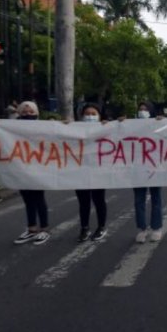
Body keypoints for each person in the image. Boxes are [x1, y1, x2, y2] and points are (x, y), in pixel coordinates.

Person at [12, 101, 51, 245]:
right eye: (24, 112)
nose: (28, 115)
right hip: (21, 168)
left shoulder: (43, 127)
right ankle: (32, 228)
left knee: (39, 198)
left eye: (31, 112)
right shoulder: (11, 128)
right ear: (19, 114)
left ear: (36, 113)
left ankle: (44, 229)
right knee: (28, 200)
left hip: (38, 168)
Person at [75, 103, 108, 242]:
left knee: (98, 200)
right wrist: (63, 125)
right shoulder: (74, 130)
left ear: (99, 116)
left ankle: (101, 227)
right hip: (80, 171)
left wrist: (119, 123)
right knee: (83, 202)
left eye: (93, 114)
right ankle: (84, 228)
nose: (90, 116)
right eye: (87, 114)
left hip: (98, 171)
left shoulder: (106, 128)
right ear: (82, 116)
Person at [133, 101, 164, 243]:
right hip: (137, 168)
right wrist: (120, 123)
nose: (142, 112)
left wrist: (161, 122)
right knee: (139, 200)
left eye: (145, 110)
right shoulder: (131, 125)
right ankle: (142, 229)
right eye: (140, 109)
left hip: (154, 167)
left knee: (156, 197)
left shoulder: (158, 123)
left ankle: (156, 228)